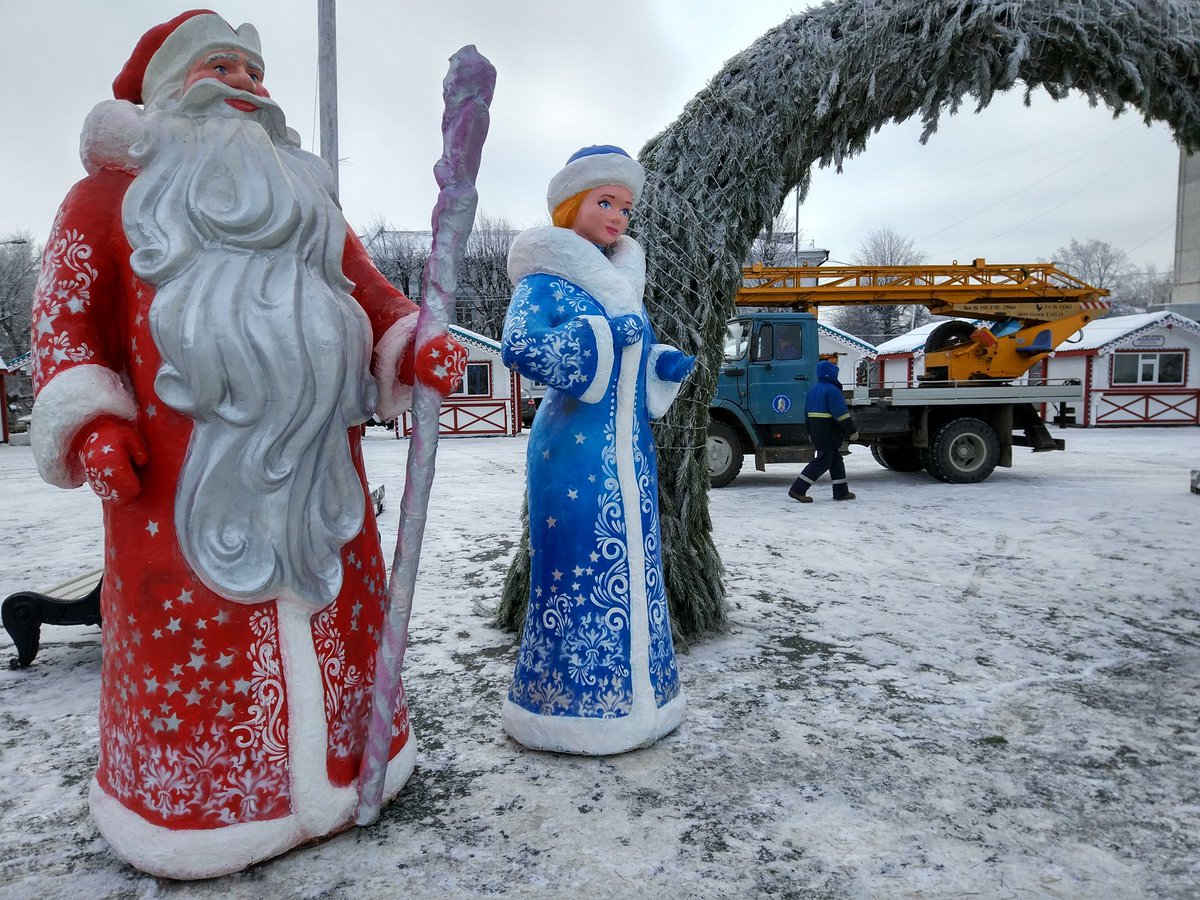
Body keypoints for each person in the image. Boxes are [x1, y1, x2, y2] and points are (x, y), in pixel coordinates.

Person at [28, 10, 466, 878]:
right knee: (200, 649)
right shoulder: (105, 200)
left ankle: (347, 771)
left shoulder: (308, 201)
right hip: (174, 500)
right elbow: (63, 324)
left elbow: (376, 298)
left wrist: (416, 339)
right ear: (162, 94)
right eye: (218, 65)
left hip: (321, 486)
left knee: (338, 614)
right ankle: (203, 810)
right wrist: (91, 421)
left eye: (253, 69)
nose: (242, 83)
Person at [499, 146, 695, 755]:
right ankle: (571, 704)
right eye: (604, 202)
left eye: (626, 207)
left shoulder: (623, 283)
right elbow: (522, 346)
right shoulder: (544, 279)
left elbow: (635, 367)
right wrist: (602, 337)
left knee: (636, 568)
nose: (617, 217)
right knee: (578, 571)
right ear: (571, 206)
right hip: (574, 456)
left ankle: (644, 697)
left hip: (630, 455)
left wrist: (661, 365)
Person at [788, 359, 858, 502]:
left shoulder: (813, 389)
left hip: (816, 430)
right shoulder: (833, 390)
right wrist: (852, 430)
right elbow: (841, 414)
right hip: (829, 431)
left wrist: (810, 432)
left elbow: (806, 414)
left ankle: (841, 492)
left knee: (836, 460)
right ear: (831, 375)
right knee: (823, 461)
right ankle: (798, 489)